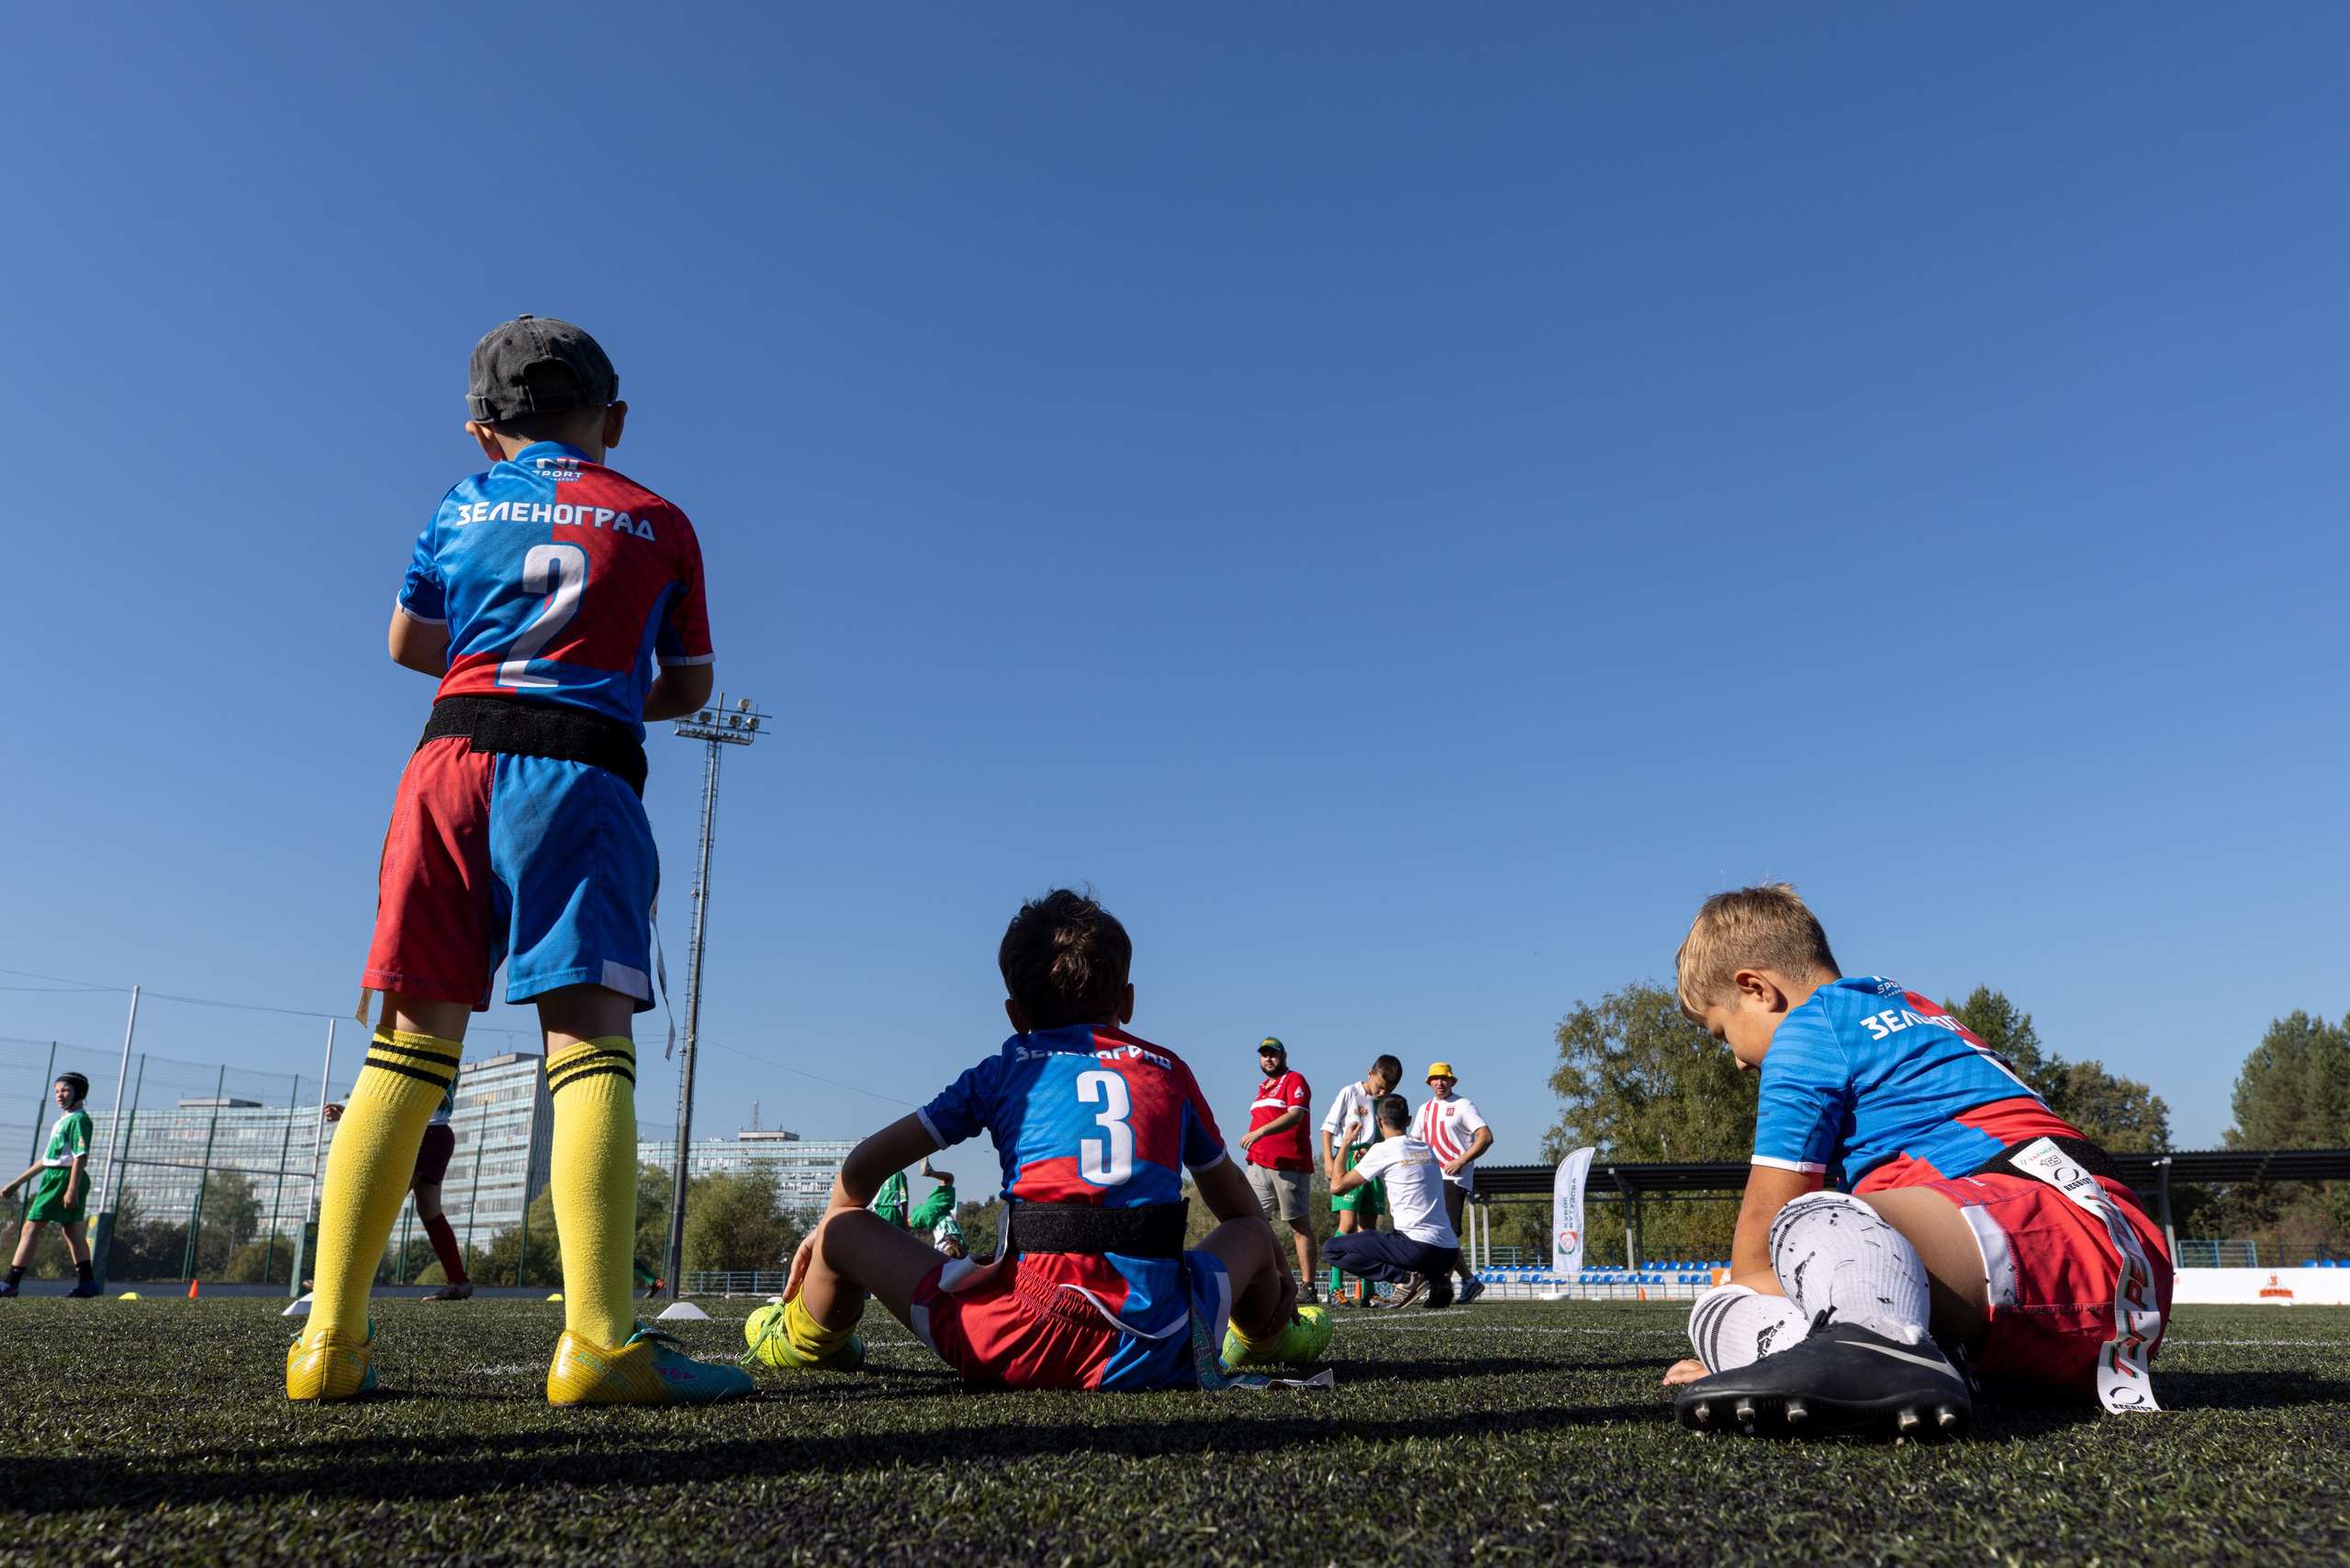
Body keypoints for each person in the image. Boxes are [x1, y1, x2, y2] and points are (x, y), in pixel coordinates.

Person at [290, 316, 747, 1405]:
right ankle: (597, 1342)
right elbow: (686, 685)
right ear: (615, 422)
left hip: (447, 763)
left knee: (403, 1054)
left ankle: (329, 1346)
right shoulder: (659, 517)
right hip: (581, 774)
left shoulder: (459, 500)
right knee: (588, 1045)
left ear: (480, 430)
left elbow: (408, 643)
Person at [759, 889, 1328, 1387]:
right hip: (1162, 1342)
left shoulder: (1005, 1068)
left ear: (1014, 1014)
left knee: (843, 1229)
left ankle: (807, 1337)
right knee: (1254, 1232)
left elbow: (861, 1170)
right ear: (1126, 1002)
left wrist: (823, 1235)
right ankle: (1264, 1338)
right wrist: (1272, 1267)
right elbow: (1233, 1202)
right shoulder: (1168, 1071)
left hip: (1017, 1342)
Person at [1663, 885, 2173, 1438]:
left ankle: (1885, 1342)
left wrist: (1748, 1334)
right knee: (1778, 1278)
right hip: (2122, 1259)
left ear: (1756, 989)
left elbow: (1756, 1251)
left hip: (2033, 1223)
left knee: (1781, 1244)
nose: (1738, 1061)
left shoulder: (1810, 1028)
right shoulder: (1912, 1007)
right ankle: (1923, 1352)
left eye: (1723, 1034)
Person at [322, 1082, 472, 1300]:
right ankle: (458, 1281)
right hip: (428, 1134)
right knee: (429, 1209)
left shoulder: (439, 1050)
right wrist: (350, 1113)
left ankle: (336, 1281)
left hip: (426, 1135)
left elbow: (440, 1097)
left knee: (377, 1203)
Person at [1326, 1094, 1460, 1308]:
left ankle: (1405, 1279)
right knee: (1391, 1233)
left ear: (1379, 1123)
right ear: (1408, 1120)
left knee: (1333, 1249)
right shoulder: (1426, 1149)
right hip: (1448, 1251)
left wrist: (1346, 1144)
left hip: (1416, 1249)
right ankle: (1437, 1281)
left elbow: (1337, 1186)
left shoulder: (1382, 1150)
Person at [2, 1074, 101, 1298]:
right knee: (71, 1229)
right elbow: (48, 1159)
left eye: (65, 1090)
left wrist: (71, 1189)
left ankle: (11, 1284)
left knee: (31, 1226)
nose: (59, 1095)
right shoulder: (62, 1120)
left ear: (79, 1093)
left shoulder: (79, 1120)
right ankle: (87, 1283)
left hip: (64, 1179)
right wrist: (17, 1183)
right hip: (58, 1176)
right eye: (57, 1091)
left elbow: (80, 1156)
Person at [1237, 1038, 1317, 1303]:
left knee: (1298, 1225)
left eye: (1273, 1054)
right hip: (1258, 1165)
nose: (1268, 1059)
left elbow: (1296, 1115)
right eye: (1264, 1055)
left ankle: (1308, 1286)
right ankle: (1260, 1282)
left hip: (1288, 1165)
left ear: (1284, 1055)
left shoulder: (1294, 1080)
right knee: (1250, 1224)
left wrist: (1259, 1131)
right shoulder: (1263, 1088)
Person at [1318, 1055, 1400, 1302]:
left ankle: (1369, 1292)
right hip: (1349, 1159)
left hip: (1373, 1162)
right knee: (1347, 1225)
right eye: (1380, 1086)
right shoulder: (1350, 1092)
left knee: (1369, 1230)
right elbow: (1327, 1128)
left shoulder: (1385, 1101)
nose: (1382, 1092)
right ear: (1369, 1073)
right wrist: (1329, 1161)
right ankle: (1335, 1289)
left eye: (1389, 1089)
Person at [1413, 1061, 1494, 1304]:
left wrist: (1461, 1160)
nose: (1440, 1082)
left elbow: (1486, 1137)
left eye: (1444, 1078)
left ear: (1452, 1081)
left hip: (1453, 1177)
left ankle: (1440, 1289)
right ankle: (1470, 1281)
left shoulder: (1463, 1105)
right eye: (1435, 1079)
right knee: (1438, 1234)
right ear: (1429, 1082)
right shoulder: (1424, 1109)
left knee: (1446, 1234)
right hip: (1430, 1179)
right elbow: (1415, 1143)